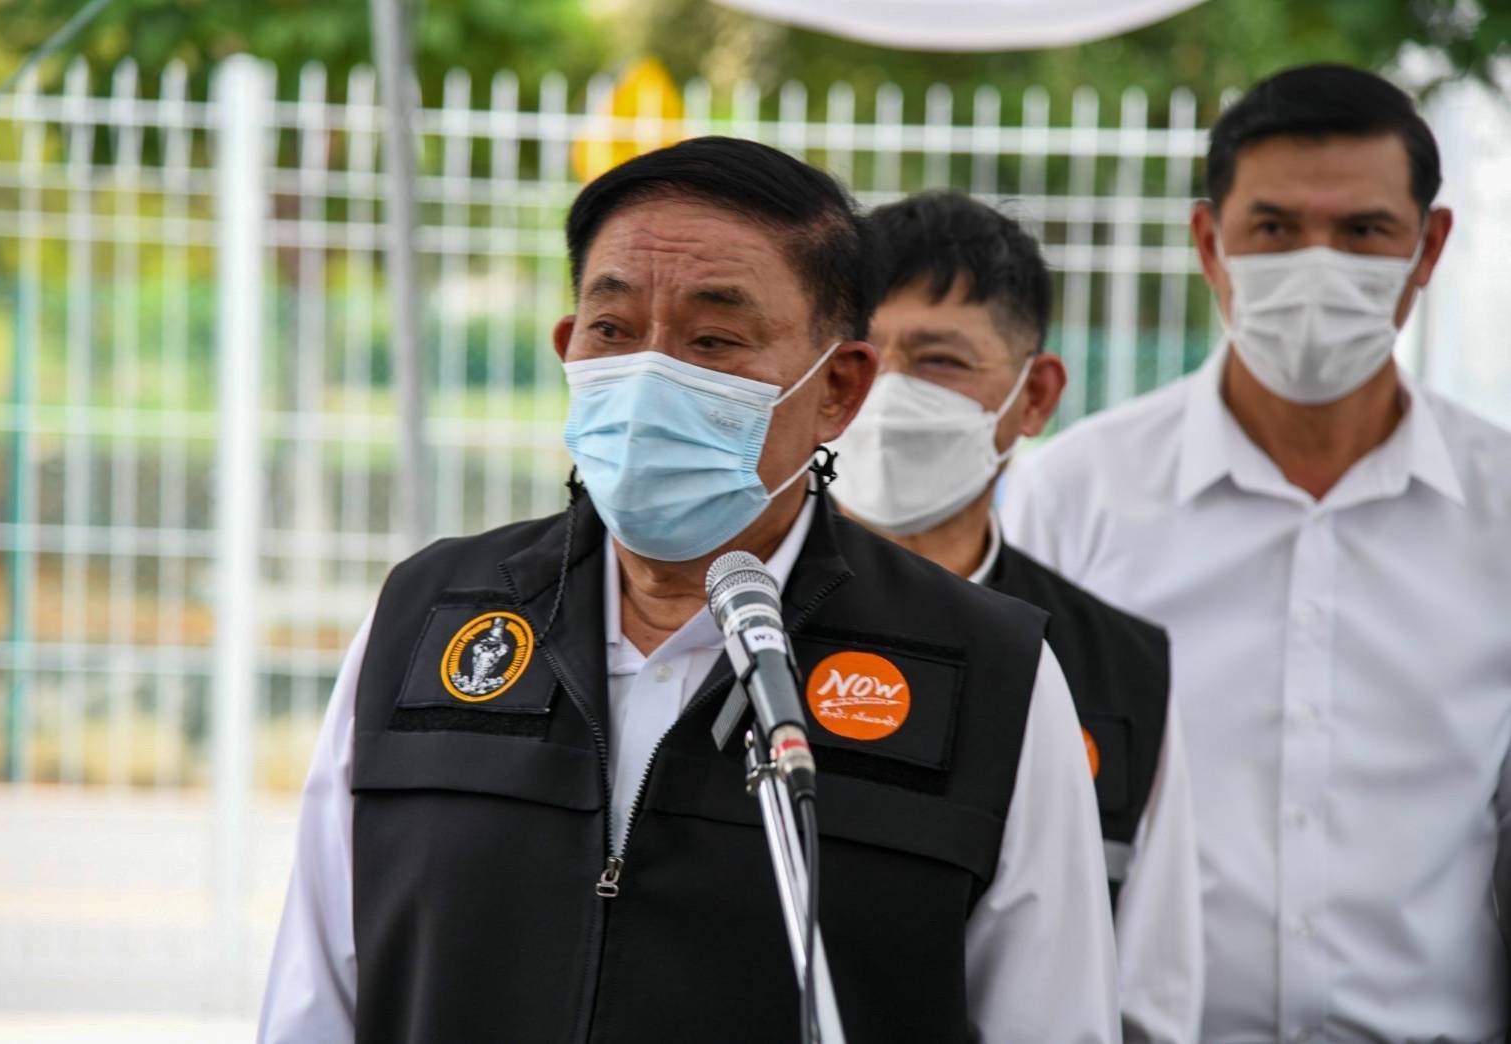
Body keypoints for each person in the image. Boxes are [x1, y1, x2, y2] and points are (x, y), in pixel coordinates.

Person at [259, 136, 1120, 1042]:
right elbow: (316, 998)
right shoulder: (430, 623)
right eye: (614, 331)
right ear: (570, 352)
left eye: (714, 340)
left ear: (837, 388)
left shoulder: (988, 675)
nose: (651, 375)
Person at [1002, 64, 1511, 1041]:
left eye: (1364, 231)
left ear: (1429, 246)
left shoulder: (1498, 510)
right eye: (1274, 229)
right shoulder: (1071, 500)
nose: (1318, 266)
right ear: (1209, 241)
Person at [830, 191, 1202, 1042]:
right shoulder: (731, 618)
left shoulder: (1112, 671)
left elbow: (1145, 999)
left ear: (1034, 397)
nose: (886, 395)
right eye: (860, 356)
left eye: (939, 362)